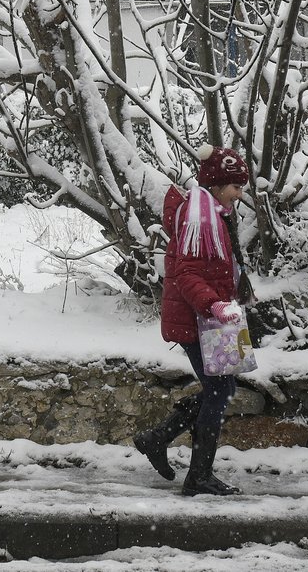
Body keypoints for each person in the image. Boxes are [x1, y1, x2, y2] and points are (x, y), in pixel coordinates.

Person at [133, 144, 249, 496]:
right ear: (216, 185)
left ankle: (158, 439)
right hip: (201, 317)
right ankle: (197, 474)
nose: (240, 194)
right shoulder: (198, 217)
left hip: (216, 316)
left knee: (223, 389)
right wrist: (214, 304)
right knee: (218, 392)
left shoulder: (215, 213)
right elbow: (184, 273)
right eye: (236, 187)